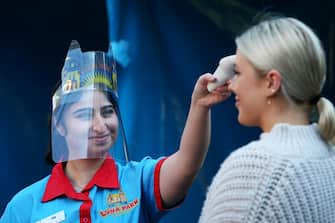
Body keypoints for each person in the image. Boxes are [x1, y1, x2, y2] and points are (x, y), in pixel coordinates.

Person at [0, 40, 230, 223]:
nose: (101, 125)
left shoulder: (138, 180)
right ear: (60, 125)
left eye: (107, 112)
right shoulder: (24, 206)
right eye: (85, 115)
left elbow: (188, 163)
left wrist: (200, 106)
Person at [198, 16, 335, 222]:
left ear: (271, 82)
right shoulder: (328, 155)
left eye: (239, 73)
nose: (231, 85)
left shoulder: (253, 170)